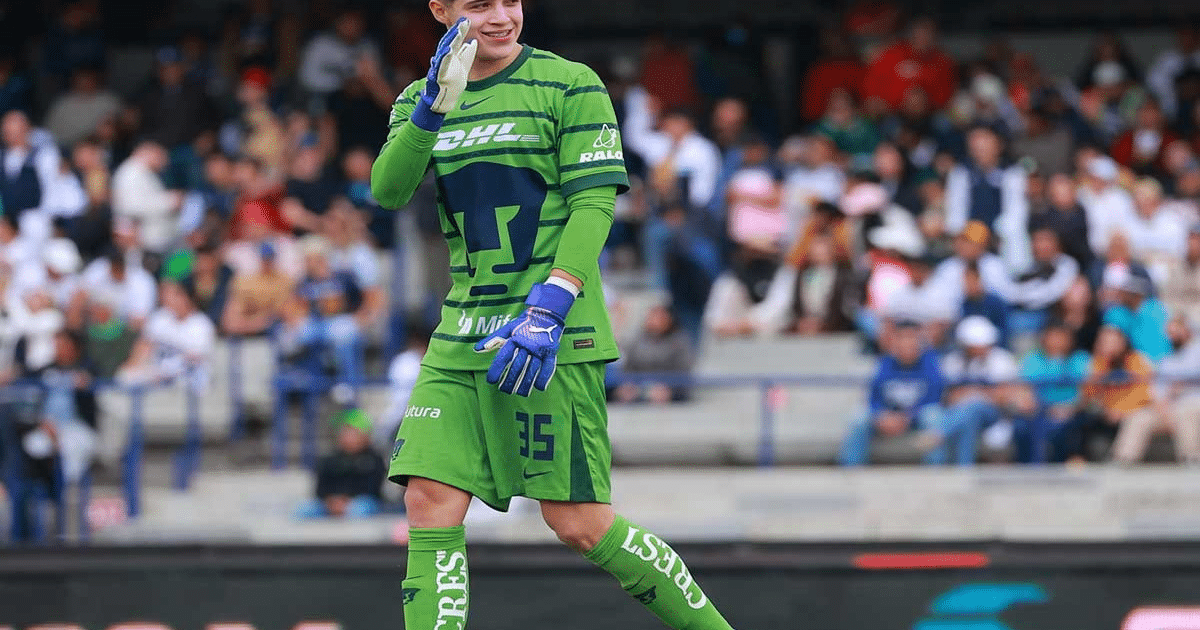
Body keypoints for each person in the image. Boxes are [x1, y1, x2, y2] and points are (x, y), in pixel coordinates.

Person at [370, 3, 736, 630]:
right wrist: (431, 110)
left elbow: (594, 203)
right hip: (462, 332)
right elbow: (388, 190)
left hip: (550, 331)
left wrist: (552, 305)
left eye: (509, 0)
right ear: (441, 10)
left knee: (579, 523)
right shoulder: (420, 97)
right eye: (478, 4)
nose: (500, 16)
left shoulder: (570, 83)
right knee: (427, 499)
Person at [927, 316, 1033, 465]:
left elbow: (1005, 396)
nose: (981, 348)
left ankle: (938, 434)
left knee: (974, 407)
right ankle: (963, 469)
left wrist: (973, 394)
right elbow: (950, 398)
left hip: (995, 415)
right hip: (961, 414)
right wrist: (985, 393)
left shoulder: (1002, 360)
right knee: (968, 418)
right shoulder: (952, 361)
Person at [839, 320, 945, 466]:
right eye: (903, 339)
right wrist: (882, 415)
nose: (907, 343)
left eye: (911, 339)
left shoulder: (931, 363)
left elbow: (933, 398)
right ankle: (851, 470)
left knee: (933, 416)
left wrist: (907, 417)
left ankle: (936, 469)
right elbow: (874, 398)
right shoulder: (886, 363)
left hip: (916, 418)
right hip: (888, 417)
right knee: (860, 419)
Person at [1080, 323, 1156, 463]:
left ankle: (1122, 462)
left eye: (1113, 341)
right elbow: (1088, 397)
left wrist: (1120, 410)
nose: (1108, 345)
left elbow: (1145, 395)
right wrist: (1095, 377)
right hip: (1105, 413)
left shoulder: (1137, 360)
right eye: (1104, 342)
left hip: (1135, 411)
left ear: (1123, 342)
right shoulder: (1097, 363)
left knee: (1138, 418)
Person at [1020, 321, 1092, 462]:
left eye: (1061, 337)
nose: (1057, 341)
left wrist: (1070, 408)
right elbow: (1024, 389)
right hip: (1039, 412)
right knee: (1024, 426)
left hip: (1073, 412)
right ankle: (1034, 468)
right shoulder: (1033, 359)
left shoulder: (1081, 359)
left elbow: (1087, 393)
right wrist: (1028, 402)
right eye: (1053, 336)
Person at [296, 408, 386, 519]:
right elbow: (320, 488)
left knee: (359, 509)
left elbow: (373, 489)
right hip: (329, 503)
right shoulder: (329, 459)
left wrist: (346, 501)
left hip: (360, 502)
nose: (347, 437)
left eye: (352, 433)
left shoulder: (374, 460)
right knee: (303, 510)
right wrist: (332, 501)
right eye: (345, 432)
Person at [612, 304, 694, 404]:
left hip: (670, 389)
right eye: (652, 316)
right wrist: (628, 385)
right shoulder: (637, 340)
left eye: (659, 317)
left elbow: (683, 371)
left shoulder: (679, 342)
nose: (654, 321)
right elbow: (628, 368)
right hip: (639, 386)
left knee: (659, 396)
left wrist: (669, 388)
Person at [1150, 315, 1200, 464]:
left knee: (1185, 413)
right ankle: (1123, 459)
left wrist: (1182, 385)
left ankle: (1190, 460)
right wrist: (1162, 408)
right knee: (1139, 418)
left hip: (1194, 402)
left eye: (1176, 331)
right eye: (1170, 333)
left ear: (1187, 330)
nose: (1173, 336)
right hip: (1169, 407)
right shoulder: (1166, 360)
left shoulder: (1197, 350)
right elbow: (1158, 389)